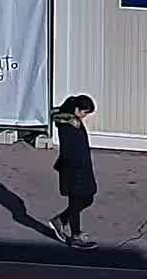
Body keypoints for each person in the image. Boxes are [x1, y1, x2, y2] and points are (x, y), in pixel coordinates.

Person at [50, 95, 97, 249]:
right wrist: (75, 168)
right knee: (76, 200)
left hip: (82, 167)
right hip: (73, 168)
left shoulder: (74, 121)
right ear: (76, 109)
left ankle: (61, 220)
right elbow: (69, 150)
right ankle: (75, 235)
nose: (85, 116)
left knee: (87, 198)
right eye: (84, 112)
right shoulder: (67, 124)